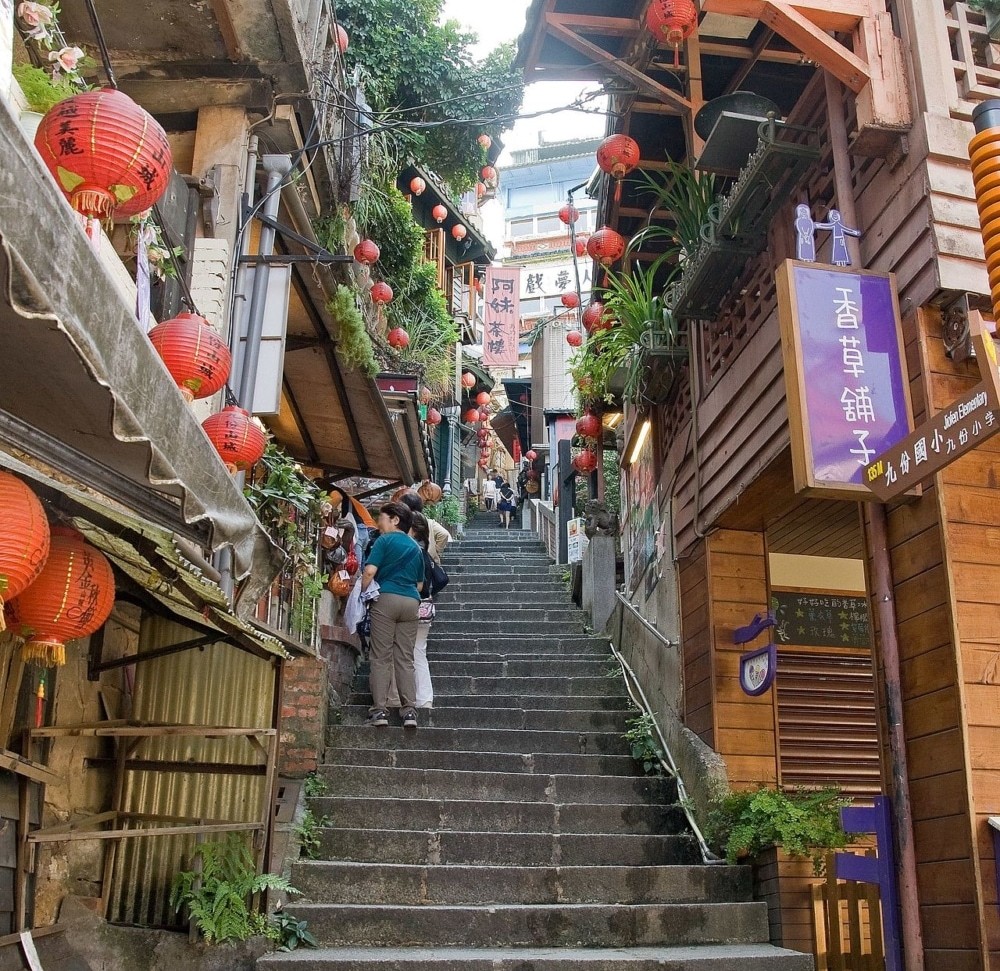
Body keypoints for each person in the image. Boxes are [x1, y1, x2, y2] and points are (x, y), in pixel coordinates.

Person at [360, 501, 425, 729]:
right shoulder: (416, 547)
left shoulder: (384, 541)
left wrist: (361, 592)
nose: (378, 523)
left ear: (395, 520)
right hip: (410, 602)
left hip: (386, 599)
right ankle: (409, 712)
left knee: (381, 656)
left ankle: (379, 711)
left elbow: (369, 571)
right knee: (405, 658)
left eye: (382, 518)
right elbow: (419, 585)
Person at [408, 511, 436, 709]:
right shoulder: (424, 550)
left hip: (413, 604)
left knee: (410, 652)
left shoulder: (412, 551)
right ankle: (424, 698)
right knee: (418, 652)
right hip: (425, 605)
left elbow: (418, 583)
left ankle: (406, 697)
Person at [397, 491, 449, 564]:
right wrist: (435, 551)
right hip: (429, 563)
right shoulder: (429, 522)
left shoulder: (402, 523)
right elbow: (444, 534)